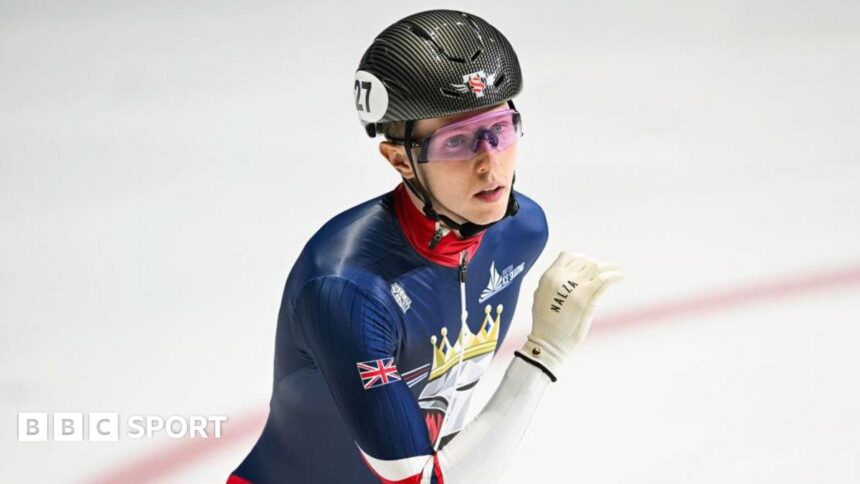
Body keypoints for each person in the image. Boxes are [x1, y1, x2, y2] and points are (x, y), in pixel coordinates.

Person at [228, 9, 622, 484]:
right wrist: (543, 354)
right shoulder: (347, 291)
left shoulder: (521, 232)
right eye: (456, 142)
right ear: (400, 160)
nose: (489, 164)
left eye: (499, 130)